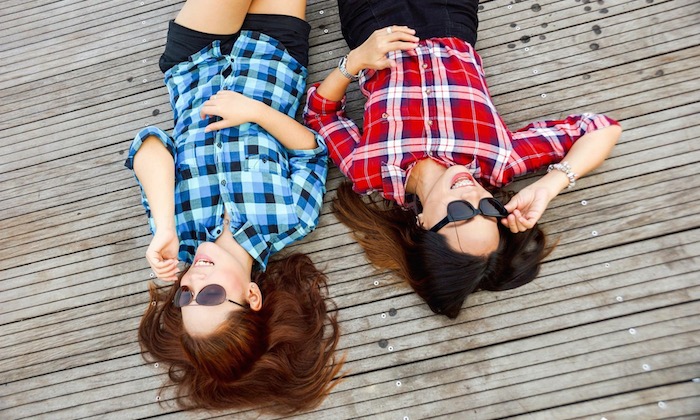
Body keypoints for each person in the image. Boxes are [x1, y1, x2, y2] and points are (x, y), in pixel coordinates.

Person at [304, 0, 622, 319]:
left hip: (373, 20)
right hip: (449, 15)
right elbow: (600, 129)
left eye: (459, 212)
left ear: (423, 225)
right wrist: (550, 186)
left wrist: (354, 61)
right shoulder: (499, 162)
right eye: (488, 209)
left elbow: (320, 112)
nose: (472, 195)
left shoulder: (369, 172)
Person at [124, 0, 343, 414]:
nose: (193, 283)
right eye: (209, 296)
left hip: (194, 62)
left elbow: (150, 145)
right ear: (252, 296)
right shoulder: (291, 220)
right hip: (275, 57)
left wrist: (164, 227)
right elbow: (311, 151)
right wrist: (257, 113)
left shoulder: (179, 234)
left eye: (184, 297)